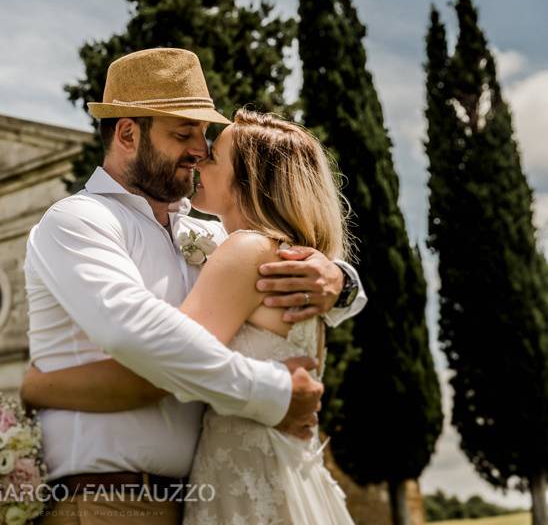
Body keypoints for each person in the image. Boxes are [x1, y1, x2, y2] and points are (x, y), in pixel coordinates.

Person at [23, 48, 365, 524]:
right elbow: (136, 335)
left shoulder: (209, 235)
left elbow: (276, 272)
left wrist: (340, 280)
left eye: (205, 135)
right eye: (184, 133)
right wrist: (274, 394)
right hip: (107, 501)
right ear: (127, 133)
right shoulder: (80, 221)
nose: (201, 149)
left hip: (201, 500)